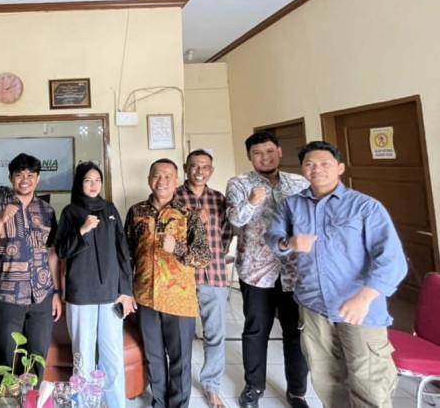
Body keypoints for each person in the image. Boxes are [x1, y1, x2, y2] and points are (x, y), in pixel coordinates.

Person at [268, 141, 407, 408]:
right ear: (302, 169)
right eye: (309, 164)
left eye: (325, 164)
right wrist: (289, 243)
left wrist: (364, 298)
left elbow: (393, 260)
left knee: (369, 382)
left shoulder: (365, 207)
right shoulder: (292, 205)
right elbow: (273, 238)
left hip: (360, 308)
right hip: (313, 306)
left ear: (340, 168)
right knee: (327, 378)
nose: (316, 169)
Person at [225, 131, 310, 408]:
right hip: (256, 270)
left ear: (280, 152)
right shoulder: (239, 183)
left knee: (295, 333)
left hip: (295, 272)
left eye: (270, 151)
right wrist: (251, 202)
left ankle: (297, 391)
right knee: (255, 330)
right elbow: (235, 220)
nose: (265, 157)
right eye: (257, 153)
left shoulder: (299, 183)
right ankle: (254, 387)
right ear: (249, 157)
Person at [124, 158, 209, 408]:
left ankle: (179, 404)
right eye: (156, 176)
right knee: (153, 356)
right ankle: (159, 402)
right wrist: (126, 290)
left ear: (176, 181)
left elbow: (204, 257)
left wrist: (178, 248)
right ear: (149, 179)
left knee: (180, 359)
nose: (161, 181)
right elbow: (126, 254)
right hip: (145, 296)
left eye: (167, 176)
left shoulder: (188, 215)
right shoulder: (136, 212)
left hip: (179, 299)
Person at [55, 161, 135, 408]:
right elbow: (61, 250)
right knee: (83, 356)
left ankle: (115, 404)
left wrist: (126, 291)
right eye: (88, 180)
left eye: (97, 180)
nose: (93, 185)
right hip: (81, 294)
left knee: (112, 355)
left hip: (111, 293)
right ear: (79, 183)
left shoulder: (110, 209)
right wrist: (82, 230)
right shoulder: (70, 212)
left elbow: (123, 252)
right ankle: (83, 404)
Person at [0, 153, 62, 381]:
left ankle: (32, 398)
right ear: (10, 178)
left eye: (30, 175)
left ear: (38, 178)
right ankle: (7, 399)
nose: (25, 180)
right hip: (9, 296)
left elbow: (51, 254)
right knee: (6, 360)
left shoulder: (47, 211)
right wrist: (0, 220)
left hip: (42, 295)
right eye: (19, 174)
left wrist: (56, 292)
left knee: (37, 359)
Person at [174, 149, 232, 408]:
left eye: (205, 166)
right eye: (195, 166)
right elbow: (167, 236)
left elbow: (226, 235)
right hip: (181, 275)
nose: (200, 171)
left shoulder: (219, 199)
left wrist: (214, 254)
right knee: (180, 336)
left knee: (215, 334)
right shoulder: (173, 196)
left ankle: (211, 386)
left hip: (214, 274)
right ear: (186, 168)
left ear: (211, 170)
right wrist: (193, 221)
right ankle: (180, 384)